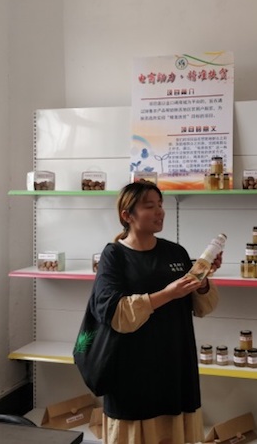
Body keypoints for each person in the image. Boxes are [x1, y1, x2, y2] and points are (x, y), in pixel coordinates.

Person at [91, 181, 220, 444]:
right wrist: (168, 293)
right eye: (150, 206)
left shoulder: (176, 252)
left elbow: (202, 307)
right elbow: (114, 313)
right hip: (131, 369)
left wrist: (202, 281)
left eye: (160, 204)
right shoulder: (114, 256)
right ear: (127, 215)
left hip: (175, 363)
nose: (160, 211)